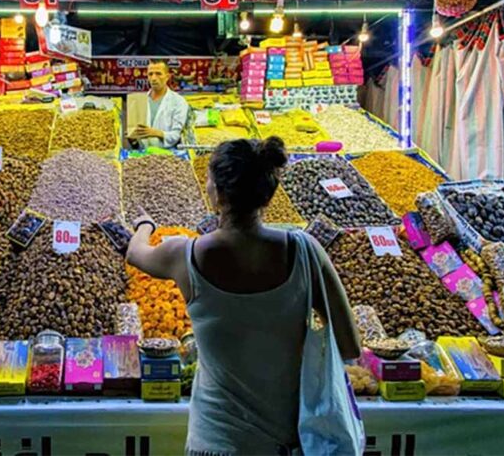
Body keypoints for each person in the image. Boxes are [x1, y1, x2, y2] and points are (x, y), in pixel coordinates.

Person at [126, 136, 361, 456]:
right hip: (286, 443)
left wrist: (144, 225)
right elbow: (349, 345)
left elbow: (136, 253)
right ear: (267, 194)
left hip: (216, 442)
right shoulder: (306, 251)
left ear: (218, 194)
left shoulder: (185, 255)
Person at [129, 60, 190, 148]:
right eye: (150, 74)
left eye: (158, 74)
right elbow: (136, 143)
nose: (154, 78)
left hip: (168, 156)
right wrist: (132, 139)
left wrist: (157, 133)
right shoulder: (139, 102)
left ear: (167, 76)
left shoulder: (178, 102)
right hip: (142, 156)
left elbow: (176, 135)